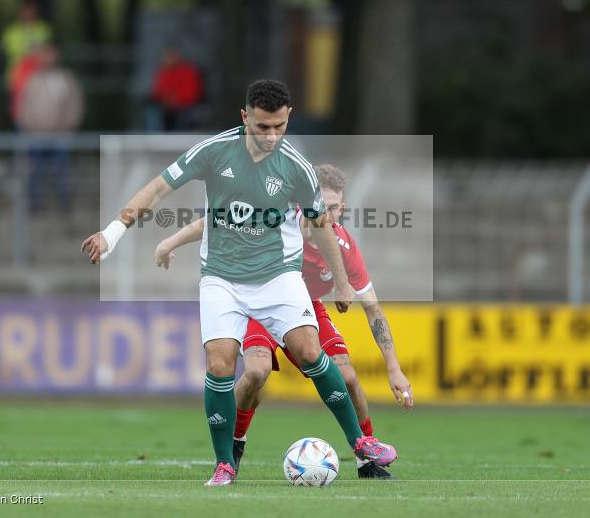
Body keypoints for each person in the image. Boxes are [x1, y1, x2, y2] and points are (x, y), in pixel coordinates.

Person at [82, 79, 397, 486]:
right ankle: (224, 464)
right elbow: (159, 188)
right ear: (245, 117)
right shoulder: (214, 151)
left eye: (280, 126)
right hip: (222, 278)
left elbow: (320, 224)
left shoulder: (296, 167)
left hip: (278, 276)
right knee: (220, 363)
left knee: (309, 350)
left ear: (289, 118)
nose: (271, 136)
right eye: (263, 126)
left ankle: (359, 442)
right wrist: (113, 232)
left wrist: (340, 282)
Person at [153, 163, 413, 479]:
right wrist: (169, 242)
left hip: (307, 307)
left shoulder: (343, 248)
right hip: (261, 300)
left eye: (333, 208)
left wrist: (394, 368)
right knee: (256, 372)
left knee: (347, 376)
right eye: (321, 205)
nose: (325, 214)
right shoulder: (277, 216)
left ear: (342, 209)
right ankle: (234, 446)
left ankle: (366, 458)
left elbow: (373, 309)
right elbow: (215, 220)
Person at [16, 44, 84, 213]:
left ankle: (63, 204)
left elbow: (75, 104)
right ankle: (36, 204)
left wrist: (69, 126)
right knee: (35, 170)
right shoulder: (33, 79)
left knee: (62, 170)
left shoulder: (66, 78)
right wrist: (29, 127)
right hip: (37, 135)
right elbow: (24, 105)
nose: (47, 58)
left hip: (61, 135)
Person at [148, 46, 204, 131]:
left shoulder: (188, 71)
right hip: (166, 107)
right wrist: (166, 100)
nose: (169, 59)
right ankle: (155, 136)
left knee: (186, 114)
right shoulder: (162, 72)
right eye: (167, 56)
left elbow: (193, 93)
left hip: (184, 106)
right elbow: (157, 92)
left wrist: (177, 100)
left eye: (172, 56)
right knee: (153, 113)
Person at [1, 0, 52, 87]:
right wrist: (32, 51)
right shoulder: (11, 30)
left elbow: (49, 49)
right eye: (26, 11)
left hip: (41, 71)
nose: (29, 14)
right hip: (18, 72)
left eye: (32, 11)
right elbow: (10, 50)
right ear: (20, 13)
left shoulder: (43, 28)